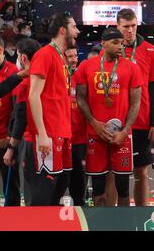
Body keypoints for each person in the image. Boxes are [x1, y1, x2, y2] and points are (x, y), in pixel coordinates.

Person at [76, 28, 142, 206]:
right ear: (103, 44)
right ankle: (100, 224)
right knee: (97, 186)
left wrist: (125, 131)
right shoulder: (86, 66)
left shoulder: (132, 68)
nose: (120, 46)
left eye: (122, 43)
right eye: (115, 43)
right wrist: (94, 123)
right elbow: (80, 98)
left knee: (123, 187)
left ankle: (123, 224)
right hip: (94, 134)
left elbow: (136, 103)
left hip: (121, 136)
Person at [25, 12, 79, 206]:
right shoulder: (44, 55)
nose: (77, 31)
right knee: (43, 194)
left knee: (59, 187)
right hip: (48, 134)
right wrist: (41, 134)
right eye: (74, 27)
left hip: (62, 133)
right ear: (62, 30)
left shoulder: (61, 57)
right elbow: (33, 96)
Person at [114, 8, 154, 206]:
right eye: (126, 27)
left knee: (141, 171)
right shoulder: (110, 49)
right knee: (116, 171)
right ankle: (119, 217)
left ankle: (142, 215)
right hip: (116, 122)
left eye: (133, 26)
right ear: (117, 26)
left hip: (142, 121)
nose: (130, 30)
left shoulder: (151, 51)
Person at [2, 38, 41, 203]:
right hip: (49, 138)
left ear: (23, 58)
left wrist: (11, 147)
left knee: (32, 190)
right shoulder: (46, 77)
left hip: (30, 140)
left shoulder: (25, 82)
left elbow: (21, 116)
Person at [0, 34, 20, 206]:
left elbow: (17, 110)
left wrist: (7, 138)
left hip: (7, 142)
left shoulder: (14, 73)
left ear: (0, 50)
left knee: (11, 188)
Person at [65, 47, 88, 206]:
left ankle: (81, 213)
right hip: (61, 137)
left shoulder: (82, 77)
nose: (73, 59)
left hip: (79, 138)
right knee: (59, 180)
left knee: (78, 181)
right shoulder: (57, 76)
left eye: (75, 56)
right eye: (69, 56)